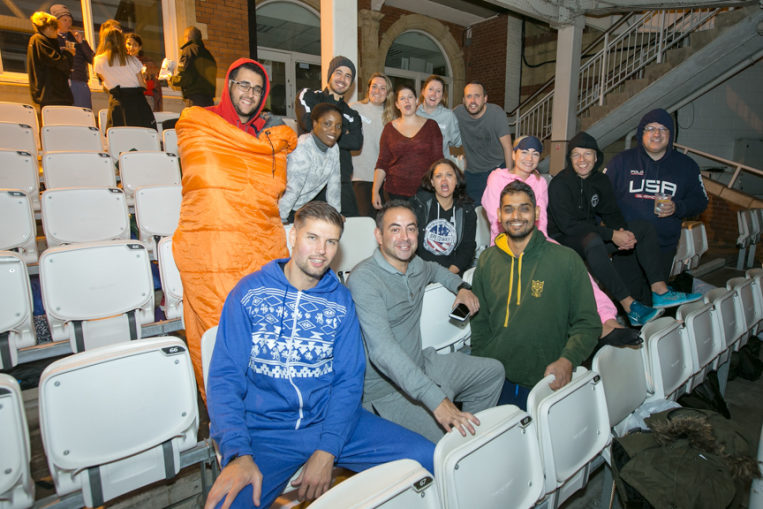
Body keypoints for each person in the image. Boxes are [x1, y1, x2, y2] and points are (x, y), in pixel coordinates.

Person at [204, 202, 435, 509]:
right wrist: (238, 454)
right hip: (266, 434)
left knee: (426, 458)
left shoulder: (341, 301)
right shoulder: (249, 294)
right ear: (292, 236)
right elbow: (224, 380)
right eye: (312, 237)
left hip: (332, 421)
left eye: (331, 241)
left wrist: (328, 449)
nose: (321, 250)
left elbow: (349, 381)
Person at [173, 58, 297, 395]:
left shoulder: (265, 138)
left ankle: (265, 403)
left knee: (266, 321)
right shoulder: (203, 125)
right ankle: (227, 409)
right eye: (244, 85)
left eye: (257, 89)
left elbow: (271, 192)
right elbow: (202, 178)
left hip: (258, 243)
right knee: (220, 326)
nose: (250, 93)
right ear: (229, 85)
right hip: (212, 245)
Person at [347, 200, 504, 442]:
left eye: (411, 228)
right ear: (379, 235)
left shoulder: (415, 265)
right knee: (449, 443)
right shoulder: (364, 280)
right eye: (395, 229)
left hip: (423, 363)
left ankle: (473, 441)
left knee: (492, 372)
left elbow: (435, 269)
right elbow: (382, 351)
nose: (405, 237)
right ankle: (461, 450)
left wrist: (461, 287)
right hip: (387, 390)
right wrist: (437, 400)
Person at [482, 136, 641, 347]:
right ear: (513, 154)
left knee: (573, 264)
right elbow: (498, 222)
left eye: (535, 154)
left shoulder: (539, 183)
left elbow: (542, 223)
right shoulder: (497, 179)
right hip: (506, 244)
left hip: (537, 240)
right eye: (524, 152)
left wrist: (541, 245)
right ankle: (593, 328)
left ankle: (608, 321)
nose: (529, 158)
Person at [471, 180, 601, 410]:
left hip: (547, 379)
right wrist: (481, 365)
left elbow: (588, 323)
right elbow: (480, 323)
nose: (516, 215)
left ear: (537, 212)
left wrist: (567, 360)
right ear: (499, 215)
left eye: (524, 208)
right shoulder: (487, 260)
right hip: (496, 380)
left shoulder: (566, 259)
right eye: (509, 209)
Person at [549, 131, 702, 326]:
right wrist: (612, 235)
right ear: (569, 158)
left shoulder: (600, 181)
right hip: (563, 240)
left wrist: (624, 233)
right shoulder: (560, 184)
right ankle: (630, 306)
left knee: (644, 228)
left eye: (587, 154)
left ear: (596, 157)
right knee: (593, 239)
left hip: (590, 237)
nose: (582, 160)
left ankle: (659, 290)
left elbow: (611, 213)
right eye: (576, 154)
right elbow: (568, 226)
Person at [605, 108, 709, 301]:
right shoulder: (621, 162)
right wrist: (607, 234)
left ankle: (648, 332)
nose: (656, 133)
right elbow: (602, 199)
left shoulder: (686, 166)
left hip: (663, 246)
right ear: (641, 133)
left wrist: (678, 207)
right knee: (629, 301)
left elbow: (701, 201)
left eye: (663, 129)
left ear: (670, 135)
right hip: (626, 246)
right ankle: (631, 331)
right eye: (650, 128)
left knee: (654, 301)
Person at [295, 56, 363, 217]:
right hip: (309, 183)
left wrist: (323, 129)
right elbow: (308, 125)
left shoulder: (352, 114)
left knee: (349, 232)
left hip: (341, 183)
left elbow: (356, 142)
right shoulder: (309, 96)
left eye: (348, 76)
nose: (342, 79)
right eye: (338, 73)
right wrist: (343, 131)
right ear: (330, 75)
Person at [372, 84, 443, 208]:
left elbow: (439, 161)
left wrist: (441, 187)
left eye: (410, 97)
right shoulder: (389, 129)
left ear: (416, 101)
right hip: (394, 192)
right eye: (402, 98)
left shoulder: (431, 126)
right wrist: (375, 191)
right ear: (397, 105)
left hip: (425, 191)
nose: (407, 101)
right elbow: (382, 162)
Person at [411, 159, 476, 275]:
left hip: (452, 274)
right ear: (432, 182)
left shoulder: (467, 211)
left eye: (449, 175)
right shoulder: (419, 205)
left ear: (456, 180)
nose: (444, 180)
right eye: (438, 176)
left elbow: (467, 248)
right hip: (421, 273)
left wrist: (448, 275)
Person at [279, 103, 342, 222]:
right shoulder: (303, 147)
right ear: (314, 123)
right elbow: (292, 189)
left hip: (301, 208)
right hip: (282, 208)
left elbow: (334, 184)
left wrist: (336, 214)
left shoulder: (334, 148)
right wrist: (281, 218)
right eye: (327, 124)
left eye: (338, 126)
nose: (333, 131)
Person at [453, 81, 513, 203]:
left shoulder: (496, 113)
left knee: (495, 210)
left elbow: (508, 147)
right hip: (472, 173)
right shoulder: (457, 113)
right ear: (463, 100)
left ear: (485, 98)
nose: (473, 101)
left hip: (496, 168)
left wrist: (510, 176)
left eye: (477, 96)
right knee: (471, 211)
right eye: (469, 96)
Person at [350, 73, 395, 217]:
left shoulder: (392, 117)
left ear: (387, 93)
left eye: (382, 88)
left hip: (382, 179)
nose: (377, 91)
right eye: (374, 86)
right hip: (359, 176)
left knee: (381, 224)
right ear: (368, 89)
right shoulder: (354, 108)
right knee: (363, 222)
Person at [93, 28, 156, 129]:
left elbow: (104, 80)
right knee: (142, 136)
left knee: (118, 136)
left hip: (118, 103)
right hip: (137, 103)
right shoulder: (132, 60)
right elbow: (142, 85)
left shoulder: (98, 60)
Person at [26, 11, 74, 108]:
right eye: (55, 27)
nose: (57, 31)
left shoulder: (42, 41)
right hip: (52, 95)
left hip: (54, 95)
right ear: (48, 27)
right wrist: (68, 53)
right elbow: (60, 63)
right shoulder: (39, 40)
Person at [50, 4, 93, 109]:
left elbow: (93, 60)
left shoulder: (76, 39)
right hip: (60, 85)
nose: (68, 23)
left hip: (79, 83)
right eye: (64, 20)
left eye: (70, 21)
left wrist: (82, 42)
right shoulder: (51, 40)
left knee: (83, 115)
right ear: (56, 21)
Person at [416, 75, 461, 161]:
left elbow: (459, 141)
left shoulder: (448, 116)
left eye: (438, 91)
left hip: (440, 168)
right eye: (430, 89)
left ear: (442, 96)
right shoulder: (414, 113)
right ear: (423, 91)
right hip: (418, 168)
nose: (434, 94)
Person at [170, 26, 217, 107]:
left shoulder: (189, 50)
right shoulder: (209, 55)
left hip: (195, 100)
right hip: (209, 101)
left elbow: (186, 76)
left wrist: (171, 79)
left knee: (193, 119)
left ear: (187, 37)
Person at [125, 32, 163, 112]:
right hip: (128, 98)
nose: (131, 47)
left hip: (146, 98)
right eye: (128, 44)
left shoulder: (147, 63)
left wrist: (145, 77)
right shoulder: (122, 62)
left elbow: (154, 84)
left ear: (140, 47)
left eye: (135, 45)